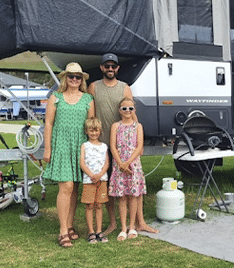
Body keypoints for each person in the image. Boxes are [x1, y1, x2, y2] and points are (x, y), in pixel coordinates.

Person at [88, 53, 158, 235]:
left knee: (134, 186)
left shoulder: (125, 88)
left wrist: (138, 140)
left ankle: (140, 222)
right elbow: (91, 117)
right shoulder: (93, 87)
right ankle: (113, 224)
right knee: (111, 187)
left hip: (126, 147)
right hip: (104, 146)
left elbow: (132, 114)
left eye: (113, 66)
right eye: (106, 66)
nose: (110, 69)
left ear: (117, 68)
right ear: (102, 68)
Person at [43, 62, 94, 248]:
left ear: (82, 80)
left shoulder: (88, 99)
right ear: (65, 78)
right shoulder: (55, 97)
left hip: (80, 147)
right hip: (62, 146)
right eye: (71, 76)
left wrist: (91, 151)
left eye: (77, 77)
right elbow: (48, 124)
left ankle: (70, 225)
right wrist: (47, 149)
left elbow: (91, 126)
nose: (74, 79)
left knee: (74, 189)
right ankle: (63, 232)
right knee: (66, 187)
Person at [109, 97, 146, 240]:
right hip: (119, 165)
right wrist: (121, 164)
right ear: (120, 110)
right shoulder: (115, 126)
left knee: (133, 196)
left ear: (134, 110)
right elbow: (113, 145)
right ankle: (123, 228)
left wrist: (128, 163)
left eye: (130, 108)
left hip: (133, 165)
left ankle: (132, 227)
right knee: (122, 196)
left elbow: (139, 146)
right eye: (124, 108)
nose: (127, 111)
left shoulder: (138, 126)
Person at [80, 117, 109, 244]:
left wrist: (100, 174)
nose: (94, 133)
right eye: (91, 131)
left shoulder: (104, 146)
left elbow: (107, 162)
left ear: (100, 131)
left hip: (101, 179)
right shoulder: (85, 146)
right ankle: (91, 231)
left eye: (96, 131)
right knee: (89, 205)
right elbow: (82, 163)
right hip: (88, 180)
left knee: (99, 205)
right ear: (86, 131)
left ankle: (99, 231)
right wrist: (91, 175)